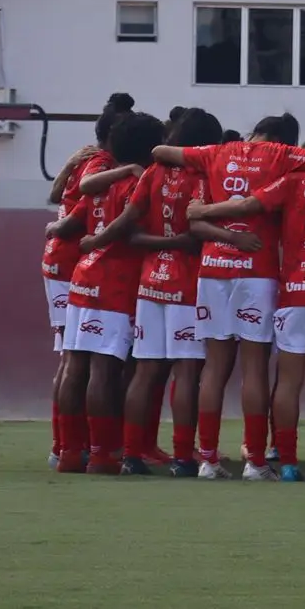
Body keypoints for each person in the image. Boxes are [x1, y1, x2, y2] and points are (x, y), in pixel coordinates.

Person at [151, 114, 305, 480]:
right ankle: (255, 462)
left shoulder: (215, 153)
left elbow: (160, 151)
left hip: (213, 268)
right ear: (282, 139)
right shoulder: (282, 155)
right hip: (256, 270)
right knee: (254, 368)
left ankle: (208, 460)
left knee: (213, 368)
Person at [188, 156, 305, 483]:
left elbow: (248, 205)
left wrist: (202, 211)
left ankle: (288, 465)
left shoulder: (291, 182)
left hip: (294, 292)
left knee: (288, 383)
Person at [48, 111, 166, 473]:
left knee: (73, 366)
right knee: (103, 371)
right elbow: (134, 233)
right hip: (115, 284)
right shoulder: (140, 183)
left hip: (82, 278)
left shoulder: (101, 183)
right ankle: (101, 454)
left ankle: (69, 452)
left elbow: (68, 223)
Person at [118, 107, 222, 477]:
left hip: (150, 283)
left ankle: (130, 454)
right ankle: (182, 457)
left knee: (145, 371)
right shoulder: (203, 175)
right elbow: (199, 232)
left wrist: (165, 242)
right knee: (187, 372)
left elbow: (131, 233)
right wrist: (181, 242)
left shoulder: (152, 172)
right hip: (187, 284)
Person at [42, 92, 134, 467]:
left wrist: (67, 166)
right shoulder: (103, 165)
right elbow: (76, 207)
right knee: (81, 360)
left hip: (69, 263)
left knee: (73, 357)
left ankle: (66, 447)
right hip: (76, 261)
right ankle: (74, 447)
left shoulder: (88, 159)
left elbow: (56, 195)